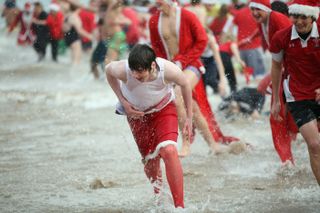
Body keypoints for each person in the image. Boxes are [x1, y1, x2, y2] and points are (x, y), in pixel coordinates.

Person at [106, 44, 193, 208]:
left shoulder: (167, 70)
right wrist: (123, 101)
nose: (135, 75)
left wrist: (188, 117)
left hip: (163, 110)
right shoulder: (123, 70)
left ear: (152, 65)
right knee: (150, 162)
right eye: (133, 70)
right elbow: (108, 71)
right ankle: (159, 196)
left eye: (140, 71)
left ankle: (179, 207)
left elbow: (185, 84)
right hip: (137, 116)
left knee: (169, 150)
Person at [149, 0, 240, 157]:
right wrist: (160, 67)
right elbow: (156, 46)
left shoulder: (186, 15)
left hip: (192, 65)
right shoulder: (154, 20)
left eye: (159, 2)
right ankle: (213, 145)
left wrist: (182, 60)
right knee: (195, 109)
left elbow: (202, 40)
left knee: (177, 96)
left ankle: (185, 143)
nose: (157, 5)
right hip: (170, 68)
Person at [270, 0, 320, 184]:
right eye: (295, 16)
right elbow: (276, 67)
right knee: (314, 145)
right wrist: (276, 100)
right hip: (297, 95)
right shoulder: (281, 37)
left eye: (303, 17)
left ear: (313, 17)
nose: (298, 21)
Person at [249, 0, 299, 165]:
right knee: (279, 115)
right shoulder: (262, 22)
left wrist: (269, 78)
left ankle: (288, 159)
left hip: (293, 72)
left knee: (279, 115)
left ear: (265, 8)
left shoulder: (277, 18)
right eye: (252, 9)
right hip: (284, 73)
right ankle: (287, 160)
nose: (255, 13)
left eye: (258, 9)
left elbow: (293, 43)